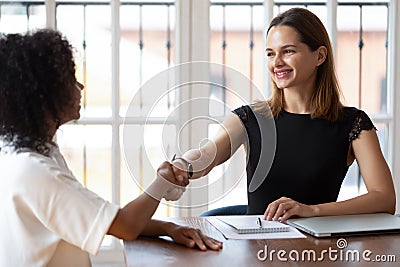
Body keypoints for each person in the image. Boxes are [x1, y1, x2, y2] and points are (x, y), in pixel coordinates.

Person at [0, 29, 222, 267]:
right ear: (44, 95)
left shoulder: (29, 155)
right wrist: (164, 181)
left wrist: (169, 228)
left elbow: (104, 219)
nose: (80, 86)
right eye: (70, 79)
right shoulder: (37, 172)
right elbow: (125, 225)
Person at [169, 8, 395, 222]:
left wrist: (312, 211)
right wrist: (182, 164)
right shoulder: (250, 118)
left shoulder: (353, 124)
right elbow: (207, 154)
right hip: (257, 252)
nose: (276, 62)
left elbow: (385, 198)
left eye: (288, 51)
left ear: (320, 56)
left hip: (319, 253)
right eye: (270, 53)